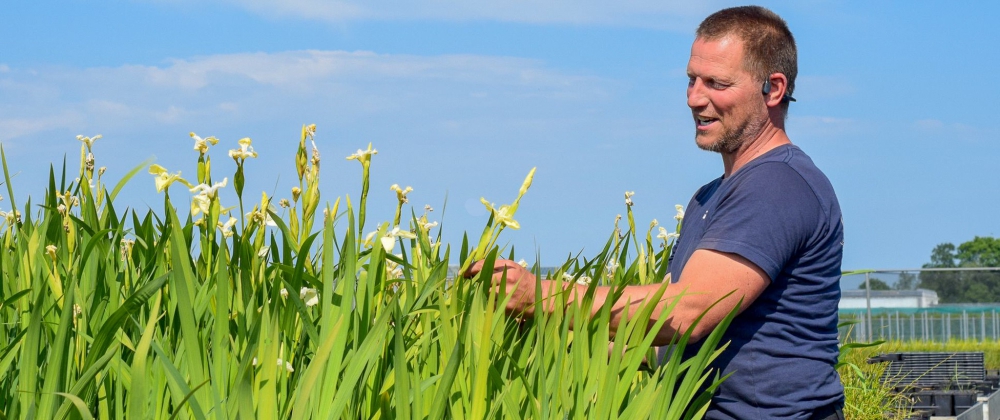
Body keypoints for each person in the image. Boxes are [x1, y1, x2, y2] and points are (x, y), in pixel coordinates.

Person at [466, 6, 845, 420]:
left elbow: (684, 313)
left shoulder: (777, 185)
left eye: (716, 83)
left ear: (772, 89)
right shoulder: (709, 197)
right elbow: (661, 338)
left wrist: (543, 298)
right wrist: (555, 335)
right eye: (691, 80)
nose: (694, 98)